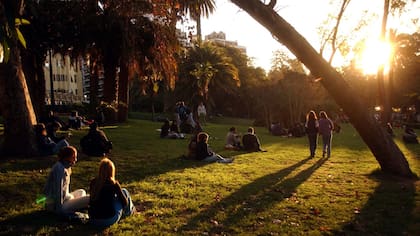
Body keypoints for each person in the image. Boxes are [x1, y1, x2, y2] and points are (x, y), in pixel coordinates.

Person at [89, 158, 135, 227]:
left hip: (93, 219)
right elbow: (124, 203)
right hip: (108, 219)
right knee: (124, 191)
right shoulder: (113, 184)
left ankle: (130, 211)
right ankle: (130, 212)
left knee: (109, 199)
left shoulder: (93, 182)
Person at [44, 146, 90, 217]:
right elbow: (58, 190)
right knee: (89, 198)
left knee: (82, 191)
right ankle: (76, 206)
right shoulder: (60, 169)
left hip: (65, 198)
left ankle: (77, 206)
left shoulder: (65, 167)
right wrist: (59, 210)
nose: (75, 159)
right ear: (66, 157)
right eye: (73, 157)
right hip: (56, 205)